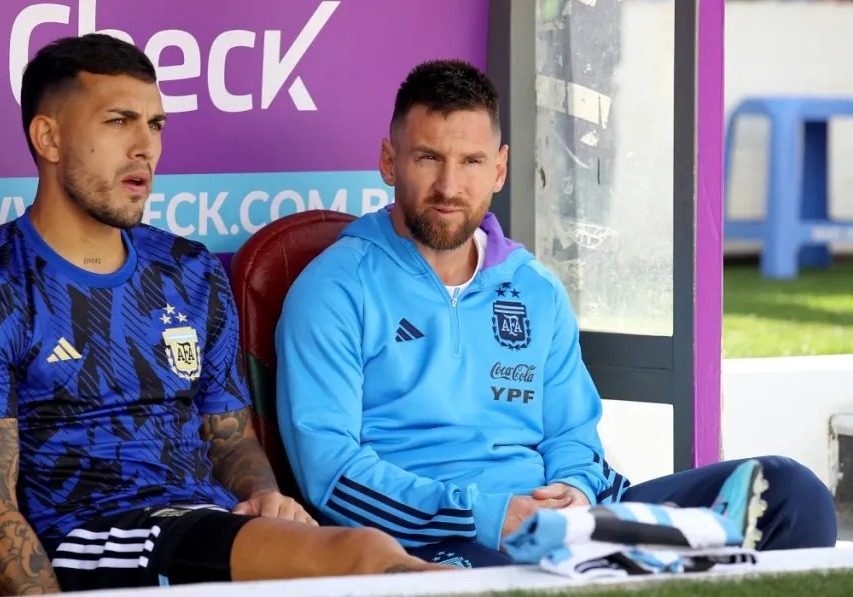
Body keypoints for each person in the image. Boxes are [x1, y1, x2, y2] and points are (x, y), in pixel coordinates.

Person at [0, 34, 444, 595]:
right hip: (94, 537)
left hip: (203, 526)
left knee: (357, 557)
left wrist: (264, 498)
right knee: (359, 556)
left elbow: (231, 436)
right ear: (48, 138)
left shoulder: (188, 269)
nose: (146, 147)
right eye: (119, 122)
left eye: (157, 125)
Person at [274, 58, 838, 568]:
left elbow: (571, 430)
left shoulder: (533, 287)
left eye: (471, 162)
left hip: (568, 521)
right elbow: (333, 475)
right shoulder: (334, 288)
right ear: (388, 161)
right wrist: (486, 514)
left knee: (791, 492)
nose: (450, 186)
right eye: (428, 158)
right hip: (439, 540)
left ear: (499, 170)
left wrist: (575, 486)